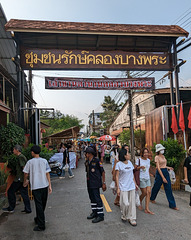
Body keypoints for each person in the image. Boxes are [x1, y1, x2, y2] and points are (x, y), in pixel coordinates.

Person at [23, 145, 52, 231]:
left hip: (36, 186)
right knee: (42, 204)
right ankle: (39, 219)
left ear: (32, 152)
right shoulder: (44, 161)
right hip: (44, 185)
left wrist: (25, 180)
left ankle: (41, 225)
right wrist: (50, 185)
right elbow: (47, 173)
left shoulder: (30, 162)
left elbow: (25, 173)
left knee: (39, 205)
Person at [2, 145, 31, 214]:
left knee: (10, 191)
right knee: (24, 194)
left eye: (14, 149)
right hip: (21, 178)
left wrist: (25, 179)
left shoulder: (21, 157)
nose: (13, 151)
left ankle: (11, 208)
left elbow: (24, 169)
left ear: (17, 150)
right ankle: (28, 209)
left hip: (19, 179)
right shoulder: (21, 157)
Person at [150, 144, 178, 210]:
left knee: (168, 188)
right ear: (158, 150)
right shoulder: (157, 157)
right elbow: (158, 168)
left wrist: (168, 167)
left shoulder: (163, 156)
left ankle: (172, 205)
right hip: (160, 173)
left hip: (165, 171)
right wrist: (163, 177)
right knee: (156, 187)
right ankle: (152, 198)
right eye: (161, 149)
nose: (162, 150)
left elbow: (164, 165)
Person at [115, 148, 138, 226]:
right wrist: (118, 188)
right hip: (123, 186)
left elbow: (132, 175)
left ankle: (132, 218)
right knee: (125, 203)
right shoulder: (119, 164)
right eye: (128, 154)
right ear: (124, 156)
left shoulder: (130, 163)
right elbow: (117, 176)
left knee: (132, 203)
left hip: (131, 186)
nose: (129, 155)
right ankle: (124, 214)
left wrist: (135, 183)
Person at [85, 147, 106, 223]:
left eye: (86, 153)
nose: (85, 155)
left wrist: (104, 183)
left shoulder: (97, 161)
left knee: (97, 198)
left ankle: (100, 215)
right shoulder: (87, 161)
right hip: (89, 182)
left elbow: (103, 172)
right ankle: (94, 212)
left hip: (95, 183)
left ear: (89, 154)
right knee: (92, 198)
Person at [135, 148, 154, 214]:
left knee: (149, 192)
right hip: (141, 178)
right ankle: (139, 201)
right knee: (145, 192)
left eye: (147, 152)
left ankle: (147, 208)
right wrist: (140, 167)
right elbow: (135, 168)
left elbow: (148, 169)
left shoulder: (148, 160)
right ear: (142, 153)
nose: (146, 154)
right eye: (144, 153)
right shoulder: (139, 160)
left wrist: (149, 174)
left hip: (147, 178)